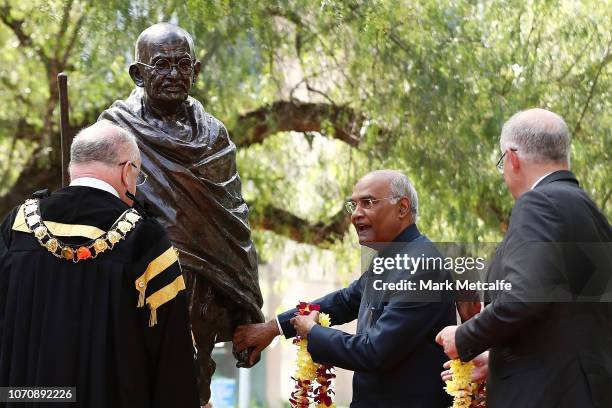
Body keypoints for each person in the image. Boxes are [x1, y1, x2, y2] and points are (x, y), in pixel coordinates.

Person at [99, 23, 264, 404]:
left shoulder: (213, 135)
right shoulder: (113, 132)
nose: (174, 74)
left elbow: (233, 219)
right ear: (138, 74)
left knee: (191, 378)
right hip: (136, 277)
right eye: (161, 65)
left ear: (196, 69)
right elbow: (97, 207)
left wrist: (246, 306)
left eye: (183, 64)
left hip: (200, 284)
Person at [0, 121, 199, 408]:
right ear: (127, 170)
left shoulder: (16, 226)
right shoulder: (145, 240)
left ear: (73, 166)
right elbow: (172, 360)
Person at [436, 108, 612, 407]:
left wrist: (464, 337)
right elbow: (568, 317)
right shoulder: (588, 211)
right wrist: (498, 360)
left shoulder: (538, 202)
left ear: (512, 157)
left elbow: (523, 296)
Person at [234, 170, 455, 407]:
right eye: (353, 205)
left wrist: (312, 332)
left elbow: (375, 352)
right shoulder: (389, 258)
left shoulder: (422, 265)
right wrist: (274, 327)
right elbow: (344, 301)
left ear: (402, 208)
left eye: (368, 203)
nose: (356, 214)